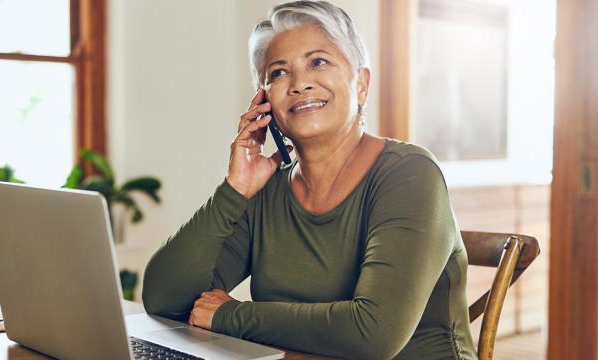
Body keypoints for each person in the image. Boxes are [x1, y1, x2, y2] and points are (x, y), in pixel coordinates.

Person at [142, 1, 477, 359]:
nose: (299, 83)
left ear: (361, 84)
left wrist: (230, 315)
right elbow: (165, 300)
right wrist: (234, 190)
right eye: (277, 73)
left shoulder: (410, 174)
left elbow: (374, 333)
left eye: (318, 62)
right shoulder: (266, 191)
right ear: (264, 102)